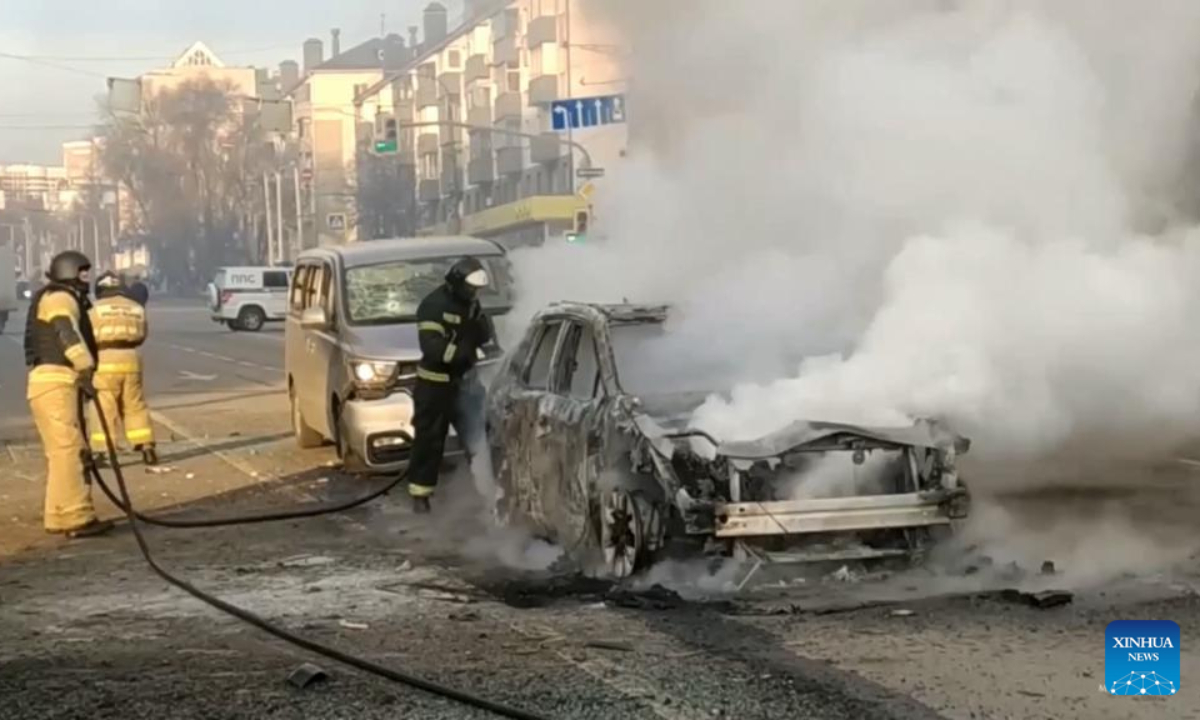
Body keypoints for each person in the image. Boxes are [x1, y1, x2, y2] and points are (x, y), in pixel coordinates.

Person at [24, 250, 112, 538]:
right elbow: (66, 331)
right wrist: (84, 365)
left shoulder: (54, 296)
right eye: (82, 272)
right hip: (56, 381)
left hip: (50, 382)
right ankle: (76, 518)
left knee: (61, 452)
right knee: (70, 451)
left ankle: (59, 514)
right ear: (69, 272)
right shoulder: (60, 298)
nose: (87, 278)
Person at [407, 256, 493, 513]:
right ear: (457, 283)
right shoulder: (433, 306)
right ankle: (420, 497)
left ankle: (486, 492)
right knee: (429, 441)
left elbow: (483, 335)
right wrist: (463, 353)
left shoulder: (471, 304)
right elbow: (432, 347)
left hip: (466, 384)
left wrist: (482, 329)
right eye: (471, 288)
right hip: (436, 387)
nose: (474, 293)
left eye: (477, 289)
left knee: (479, 437)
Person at [88, 271, 157, 466]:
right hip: (131, 358)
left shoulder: (94, 309)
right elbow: (143, 335)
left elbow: (87, 337)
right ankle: (147, 447)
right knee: (135, 404)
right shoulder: (136, 308)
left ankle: (102, 451)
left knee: (104, 406)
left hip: (104, 359)